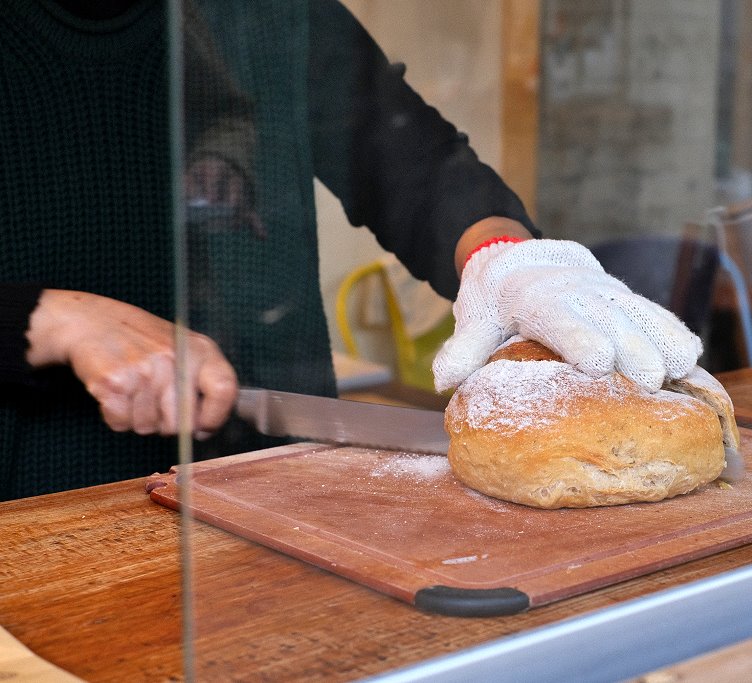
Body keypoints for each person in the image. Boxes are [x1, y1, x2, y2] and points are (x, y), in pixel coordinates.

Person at [0, 0, 702, 500]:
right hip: (40, 518)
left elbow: (407, 157)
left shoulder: (268, 13)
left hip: (269, 487)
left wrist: (505, 258)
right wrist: (50, 318)